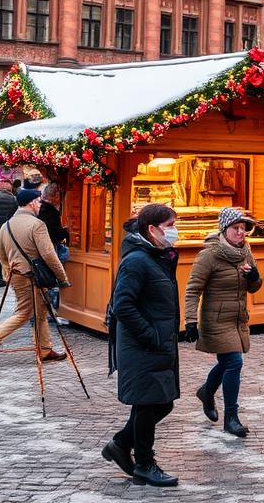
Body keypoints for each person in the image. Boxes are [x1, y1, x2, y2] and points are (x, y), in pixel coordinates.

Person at [102, 204, 181, 487]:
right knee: (149, 404)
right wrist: (150, 335)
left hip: (158, 344)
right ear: (152, 229)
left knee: (161, 403)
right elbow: (122, 304)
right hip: (143, 345)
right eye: (170, 225)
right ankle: (145, 465)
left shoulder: (157, 256)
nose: (175, 230)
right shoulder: (137, 260)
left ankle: (121, 444)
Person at [184, 207, 263, 438]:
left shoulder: (246, 252)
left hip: (237, 319)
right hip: (215, 319)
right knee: (234, 362)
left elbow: (254, 287)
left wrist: (254, 277)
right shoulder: (209, 255)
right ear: (224, 229)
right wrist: (190, 321)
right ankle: (231, 417)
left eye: (243, 229)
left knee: (228, 363)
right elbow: (192, 290)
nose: (241, 233)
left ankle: (207, 393)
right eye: (235, 228)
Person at [0, 187, 70, 370]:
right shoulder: (36, 225)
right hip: (31, 277)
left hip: (17, 276)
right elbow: (49, 255)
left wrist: (8, 269)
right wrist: (62, 277)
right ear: (32, 203)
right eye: (39, 202)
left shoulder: (6, 225)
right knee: (24, 313)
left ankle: (45, 349)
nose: (40, 205)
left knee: (40, 312)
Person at [37, 183, 71, 315]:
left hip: (43, 248)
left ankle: (44, 308)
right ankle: (47, 309)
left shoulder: (41, 208)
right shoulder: (49, 211)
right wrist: (65, 233)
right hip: (49, 248)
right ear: (55, 196)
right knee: (52, 276)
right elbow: (53, 233)